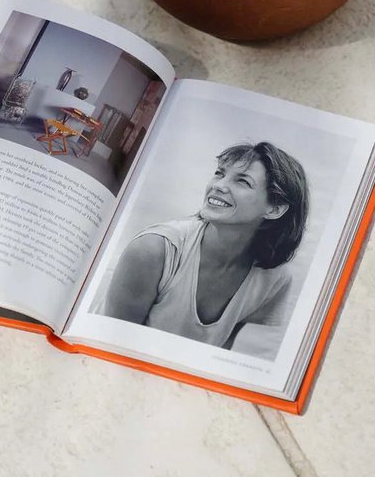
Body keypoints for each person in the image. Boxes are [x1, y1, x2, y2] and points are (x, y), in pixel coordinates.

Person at [101, 141, 309, 350]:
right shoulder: (152, 250)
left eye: (243, 181)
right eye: (220, 173)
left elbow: (219, 349)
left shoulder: (274, 277)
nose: (219, 185)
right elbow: (111, 343)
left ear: (274, 209)